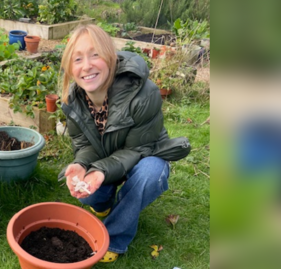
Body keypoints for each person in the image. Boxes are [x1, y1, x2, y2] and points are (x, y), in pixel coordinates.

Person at [58, 24, 191, 263]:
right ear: (70, 68)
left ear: (110, 57)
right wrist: (81, 164)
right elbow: (83, 145)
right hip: (108, 159)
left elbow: (137, 149)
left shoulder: (143, 93)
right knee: (86, 190)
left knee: (149, 173)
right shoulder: (72, 101)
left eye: (94, 54)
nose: (86, 65)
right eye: (77, 59)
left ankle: (115, 239)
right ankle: (103, 203)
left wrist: (99, 170)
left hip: (144, 156)